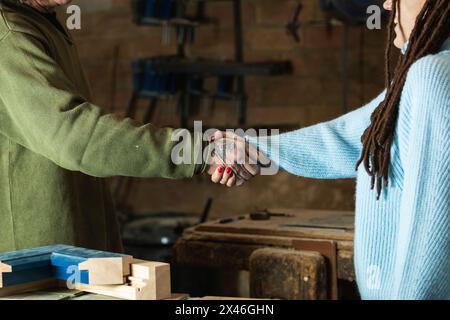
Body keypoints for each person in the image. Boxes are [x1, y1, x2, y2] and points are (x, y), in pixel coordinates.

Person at [212, 0, 450, 300]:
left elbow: (434, 223)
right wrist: (256, 149)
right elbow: (350, 137)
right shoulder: (426, 75)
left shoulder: (434, 77)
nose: (388, 5)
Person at [0, 0, 249, 253]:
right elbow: (77, 136)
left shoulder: (42, 21)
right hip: (32, 268)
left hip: (68, 254)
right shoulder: (9, 34)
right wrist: (199, 151)